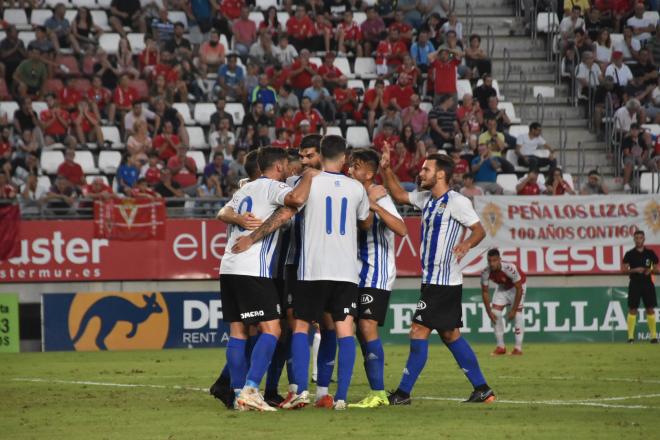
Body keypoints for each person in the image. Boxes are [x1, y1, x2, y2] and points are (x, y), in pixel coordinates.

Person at [232, 136, 374, 411]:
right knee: (345, 329)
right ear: (344, 158)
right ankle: (340, 397)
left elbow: (284, 214)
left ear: (321, 154)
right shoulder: (357, 188)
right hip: (346, 271)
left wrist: (253, 237)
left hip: (313, 270)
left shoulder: (306, 184)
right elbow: (366, 222)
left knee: (300, 325)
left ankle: (300, 391)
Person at [378, 147, 495, 405]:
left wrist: (467, 245)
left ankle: (403, 394)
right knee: (450, 335)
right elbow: (398, 193)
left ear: (441, 174)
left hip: (443, 282)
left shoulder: (457, 202)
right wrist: (386, 169)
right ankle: (483, 390)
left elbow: (478, 230)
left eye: (426, 169)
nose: (421, 173)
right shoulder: (426, 199)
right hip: (435, 281)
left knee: (418, 330)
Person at [216, 147, 317, 411]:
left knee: (238, 332)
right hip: (252, 269)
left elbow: (222, 213)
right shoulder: (272, 187)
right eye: (286, 165)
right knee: (272, 329)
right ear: (280, 167)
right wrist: (308, 176)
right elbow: (294, 199)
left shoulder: (244, 189)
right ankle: (250, 388)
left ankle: (239, 395)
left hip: (228, 267)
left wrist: (238, 217)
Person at [346, 148, 408, 409]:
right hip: (356, 271)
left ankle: (379, 393)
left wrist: (373, 205)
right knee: (360, 330)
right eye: (349, 165)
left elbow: (402, 228)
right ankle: (376, 391)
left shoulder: (378, 194)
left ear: (368, 173)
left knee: (367, 327)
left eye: (355, 166)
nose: (350, 169)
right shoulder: (355, 193)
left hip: (377, 270)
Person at [481, 249, 526, 356]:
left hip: (517, 287)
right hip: (502, 287)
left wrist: (514, 310)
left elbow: (519, 289)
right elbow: (485, 292)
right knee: (495, 313)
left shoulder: (510, 269)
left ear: (500, 260)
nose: (492, 263)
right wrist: (488, 312)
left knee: (518, 314)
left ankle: (518, 348)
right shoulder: (485, 272)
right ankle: (501, 347)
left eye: (494, 260)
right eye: (489, 261)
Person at [622, 231, 659, 344]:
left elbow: (656, 267)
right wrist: (635, 270)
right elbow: (624, 270)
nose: (638, 240)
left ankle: (653, 337)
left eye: (640, 238)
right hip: (635, 283)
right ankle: (630, 337)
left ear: (644, 239)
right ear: (634, 239)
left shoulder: (650, 253)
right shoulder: (630, 254)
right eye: (636, 238)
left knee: (650, 309)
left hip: (647, 283)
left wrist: (650, 270)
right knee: (633, 309)